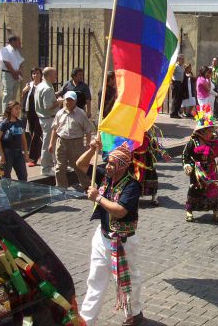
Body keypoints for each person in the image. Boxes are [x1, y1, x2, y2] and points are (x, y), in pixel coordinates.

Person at [76, 138, 143, 326]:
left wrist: (98, 197)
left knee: (128, 280)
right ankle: (86, 321)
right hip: (102, 237)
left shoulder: (132, 185)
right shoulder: (105, 176)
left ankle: (134, 313)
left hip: (123, 241)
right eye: (108, 162)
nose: (108, 166)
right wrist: (91, 149)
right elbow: (80, 164)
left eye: (112, 163)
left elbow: (120, 211)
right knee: (95, 279)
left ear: (122, 166)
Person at [182, 107, 218, 223]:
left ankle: (215, 212)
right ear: (202, 131)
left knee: (214, 189)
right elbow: (185, 155)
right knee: (195, 190)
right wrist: (187, 165)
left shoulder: (214, 142)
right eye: (209, 130)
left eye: (211, 130)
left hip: (211, 170)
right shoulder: (193, 142)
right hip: (198, 171)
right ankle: (189, 211)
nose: (212, 132)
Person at [49, 91, 94, 190]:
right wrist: (51, 143)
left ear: (75, 101)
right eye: (67, 100)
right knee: (60, 167)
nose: (68, 102)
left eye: (71, 100)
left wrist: (88, 144)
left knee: (79, 166)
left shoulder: (81, 113)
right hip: (61, 142)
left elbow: (88, 129)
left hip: (76, 143)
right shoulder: (60, 113)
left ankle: (86, 186)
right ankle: (61, 188)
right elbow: (55, 129)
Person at [35, 67, 63, 176]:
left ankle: (53, 164)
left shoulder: (41, 85)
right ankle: (46, 168)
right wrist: (59, 102)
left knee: (51, 143)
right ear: (50, 76)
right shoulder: (47, 88)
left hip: (44, 118)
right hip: (48, 118)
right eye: (55, 75)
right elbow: (48, 106)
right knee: (48, 144)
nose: (56, 77)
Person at [0, 101, 30, 181]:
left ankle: (22, 193)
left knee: (23, 176)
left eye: (19, 109)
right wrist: (1, 154)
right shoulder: (4, 123)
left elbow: (23, 139)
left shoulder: (20, 122)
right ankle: (5, 193)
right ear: (10, 110)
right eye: (16, 109)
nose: (18, 111)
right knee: (2, 177)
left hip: (18, 152)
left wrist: (26, 154)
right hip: (5, 153)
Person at [21, 68, 43, 166]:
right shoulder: (29, 85)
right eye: (33, 73)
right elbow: (23, 98)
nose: (35, 75)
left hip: (40, 113)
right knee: (32, 134)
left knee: (36, 135)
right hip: (30, 113)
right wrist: (24, 91)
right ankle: (40, 153)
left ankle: (33, 158)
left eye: (37, 73)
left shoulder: (43, 85)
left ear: (41, 75)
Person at [0, 35, 25, 112]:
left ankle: (11, 113)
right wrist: (14, 72)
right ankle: (5, 113)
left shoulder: (16, 51)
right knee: (8, 94)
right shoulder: (5, 50)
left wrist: (19, 71)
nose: (20, 43)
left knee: (13, 95)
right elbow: (6, 62)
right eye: (18, 41)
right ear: (13, 41)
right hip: (8, 74)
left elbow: (20, 62)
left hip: (16, 75)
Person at [169, 54, 185, 118]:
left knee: (179, 99)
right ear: (178, 59)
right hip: (175, 83)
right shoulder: (175, 66)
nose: (183, 60)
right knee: (175, 99)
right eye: (182, 59)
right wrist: (171, 83)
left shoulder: (182, 67)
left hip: (180, 83)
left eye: (183, 59)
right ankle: (172, 113)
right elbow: (170, 74)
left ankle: (176, 113)